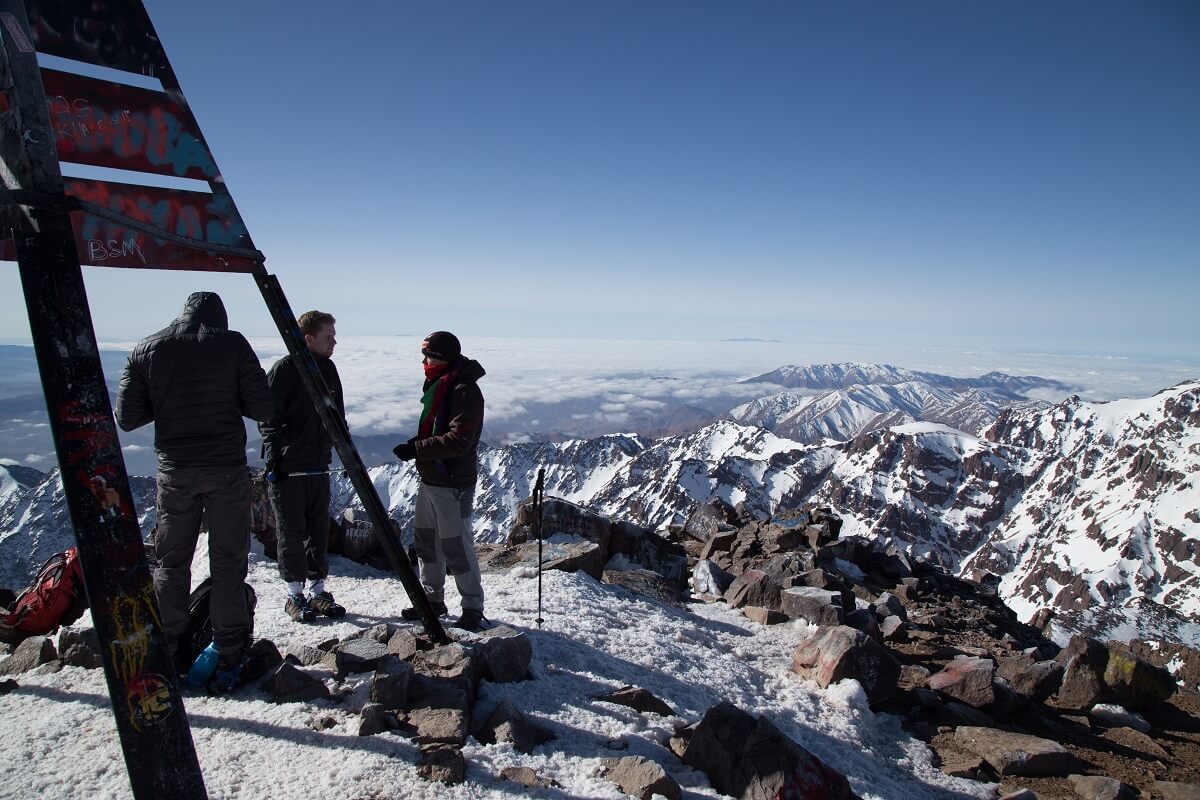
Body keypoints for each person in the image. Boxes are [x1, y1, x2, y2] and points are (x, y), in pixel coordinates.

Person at [115, 291, 274, 693]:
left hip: (175, 472)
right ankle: (229, 654)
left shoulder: (145, 348)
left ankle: (165, 651)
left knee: (170, 561)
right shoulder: (232, 343)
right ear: (219, 316)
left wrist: (168, 405)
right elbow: (263, 407)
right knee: (228, 562)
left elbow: (127, 417)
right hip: (225, 470)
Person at [392, 331, 487, 631]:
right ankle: (432, 600)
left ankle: (472, 607)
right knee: (426, 543)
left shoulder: (463, 390)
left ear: (443, 358)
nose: (424, 361)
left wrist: (417, 449)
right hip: (432, 477)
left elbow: (459, 439)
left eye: (429, 356)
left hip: (453, 482)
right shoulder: (441, 385)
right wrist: (419, 448)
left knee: (457, 547)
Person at [258, 310, 347, 622]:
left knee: (318, 529)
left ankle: (318, 589)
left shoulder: (328, 369)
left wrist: (346, 451)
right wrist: (275, 457)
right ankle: (294, 594)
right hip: (289, 467)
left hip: (318, 465)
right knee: (291, 531)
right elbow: (268, 417)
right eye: (328, 336)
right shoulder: (284, 369)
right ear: (308, 338)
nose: (334, 341)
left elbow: (337, 414)